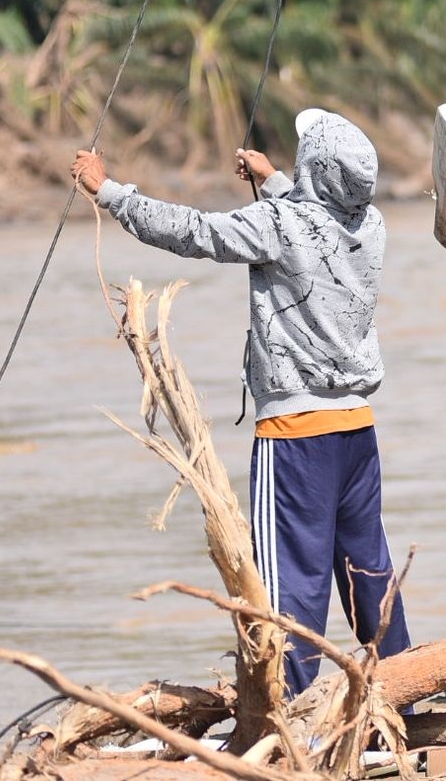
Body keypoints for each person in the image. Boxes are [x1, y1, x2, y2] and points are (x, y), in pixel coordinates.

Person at [70, 109, 410, 697]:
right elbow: (315, 222)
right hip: (356, 428)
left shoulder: (278, 223)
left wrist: (109, 192)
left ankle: (288, 708)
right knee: (367, 567)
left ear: (313, 170)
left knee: (289, 581)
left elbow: (192, 231)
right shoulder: (370, 224)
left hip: (295, 433)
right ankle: (405, 684)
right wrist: (273, 179)